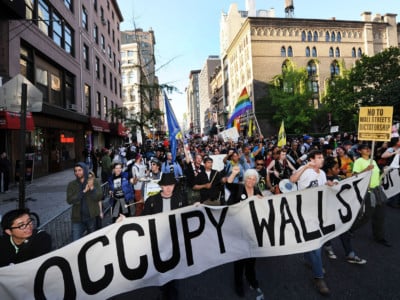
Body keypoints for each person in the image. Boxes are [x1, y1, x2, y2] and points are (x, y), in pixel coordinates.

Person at [290, 150, 330, 296]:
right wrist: (305, 167)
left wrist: (329, 183)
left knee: (312, 241)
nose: (322, 159)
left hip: (317, 212)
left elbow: (324, 186)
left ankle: (310, 260)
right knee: (316, 245)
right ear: (312, 159)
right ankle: (319, 277)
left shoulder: (323, 173)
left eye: (322, 157)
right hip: (304, 212)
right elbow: (292, 180)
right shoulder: (305, 170)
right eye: (319, 157)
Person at [142, 173, 188, 299]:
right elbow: (142, 220)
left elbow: (187, 216)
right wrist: (125, 221)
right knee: (162, 269)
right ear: (161, 186)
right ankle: (164, 290)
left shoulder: (181, 198)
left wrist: (196, 208)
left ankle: (172, 292)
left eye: (171, 185)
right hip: (159, 242)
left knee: (174, 270)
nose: (168, 188)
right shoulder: (151, 201)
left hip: (175, 241)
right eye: (165, 185)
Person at [226, 166, 265, 299]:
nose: (251, 181)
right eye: (249, 178)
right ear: (245, 178)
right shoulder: (239, 187)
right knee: (239, 259)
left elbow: (263, 206)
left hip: (253, 229)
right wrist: (233, 173)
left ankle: (252, 279)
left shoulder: (257, 189)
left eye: (254, 179)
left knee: (251, 257)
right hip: (238, 229)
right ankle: (238, 284)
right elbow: (228, 184)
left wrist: (262, 200)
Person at [322, 157, 367, 264]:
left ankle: (350, 254)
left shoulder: (338, 177)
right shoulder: (323, 179)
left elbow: (353, 180)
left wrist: (366, 172)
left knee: (344, 230)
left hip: (340, 210)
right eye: (336, 168)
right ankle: (328, 247)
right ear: (329, 169)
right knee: (328, 230)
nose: (339, 169)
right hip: (328, 211)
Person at [351, 144, 391, 247]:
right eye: (365, 148)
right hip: (368, 191)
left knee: (380, 214)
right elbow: (354, 176)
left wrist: (384, 171)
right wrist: (366, 170)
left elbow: (376, 174)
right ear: (359, 151)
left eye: (368, 148)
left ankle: (379, 237)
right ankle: (350, 229)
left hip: (377, 189)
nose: (368, 149)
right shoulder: (359, 161)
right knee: (367, 215)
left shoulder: (373, 160)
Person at [66, 162, 103, 241]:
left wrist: (92, 188)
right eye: (75, 171)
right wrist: (83, 191)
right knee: (75, 242)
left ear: (85, 170)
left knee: (93, 240)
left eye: (80, 170)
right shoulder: (72, 184)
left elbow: (99, 196)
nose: (77, 172)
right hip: (77, 219)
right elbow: (69, 200)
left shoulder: (94, 181)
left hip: (91, 217)